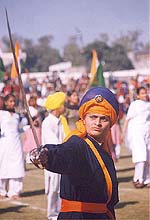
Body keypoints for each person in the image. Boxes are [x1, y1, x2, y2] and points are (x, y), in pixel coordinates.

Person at [31, 86, 119, 220]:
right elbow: (65, 153)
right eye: (93, 117)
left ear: (110, 123)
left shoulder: (103, 151)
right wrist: (47, 155)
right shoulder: (78, 143)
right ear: (84, 119)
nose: (97, 123)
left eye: (104, 119)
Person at [42, 92, 69, 220]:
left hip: (62, 157)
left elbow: (65, 137)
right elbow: (53, 142)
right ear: (57, 107)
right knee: (53, 187)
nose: (65, 107)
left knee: (61, 186)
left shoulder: (61, 120)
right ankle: (52, 214)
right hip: (52, 159)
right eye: (63, 104)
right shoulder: (47, 122)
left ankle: (60, 212)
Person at [121, 86, 150, 188]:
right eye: (142, 93)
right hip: (137, 133)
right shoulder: (134, 105)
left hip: (147, 133)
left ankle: (147, 179)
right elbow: (128, 119)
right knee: (140, 157)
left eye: (145, 93)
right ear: (137, 95)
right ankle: (138, 179)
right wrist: (123, 132)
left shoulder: (148, 105)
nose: (145, 95)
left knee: (148, 157)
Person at [0, 94, 25, 199]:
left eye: (14, 101)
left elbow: (21, 129)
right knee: (3, 166)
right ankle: (1, 191)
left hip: (16, 144)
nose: (12, 103)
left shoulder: (17, 116)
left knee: (16, 167)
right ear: (5, 102)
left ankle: (14, 191)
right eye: (10, 101)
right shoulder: (1, 114)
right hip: (4, 143)